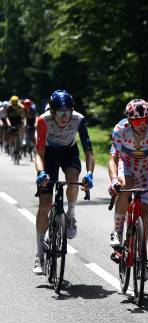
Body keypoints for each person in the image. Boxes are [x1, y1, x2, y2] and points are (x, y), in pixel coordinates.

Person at [107, 99, 148, 279]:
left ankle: (142, 259)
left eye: (146, 120)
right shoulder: (120, 130)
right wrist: (113, 181)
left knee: (143, 214)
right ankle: (118, 231)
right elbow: (113, 158)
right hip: (126, 166)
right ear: (129, 121)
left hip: (145, 170)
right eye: (137, 122)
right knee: (124, 187)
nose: (143, 125)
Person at [33, 90, 95, 274]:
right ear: (52, 111)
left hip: (69, 152)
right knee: (45, 204)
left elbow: (89, 152)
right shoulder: (43, 120)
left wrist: (90, 173)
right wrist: (40, 172)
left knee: (73, 179)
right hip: (49, 155)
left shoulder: (79, 119)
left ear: (72, 110)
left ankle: (71, 215)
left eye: (66, 113)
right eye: (59, 113)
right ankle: (38, 254)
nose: (63, 117)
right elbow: (39, 152)